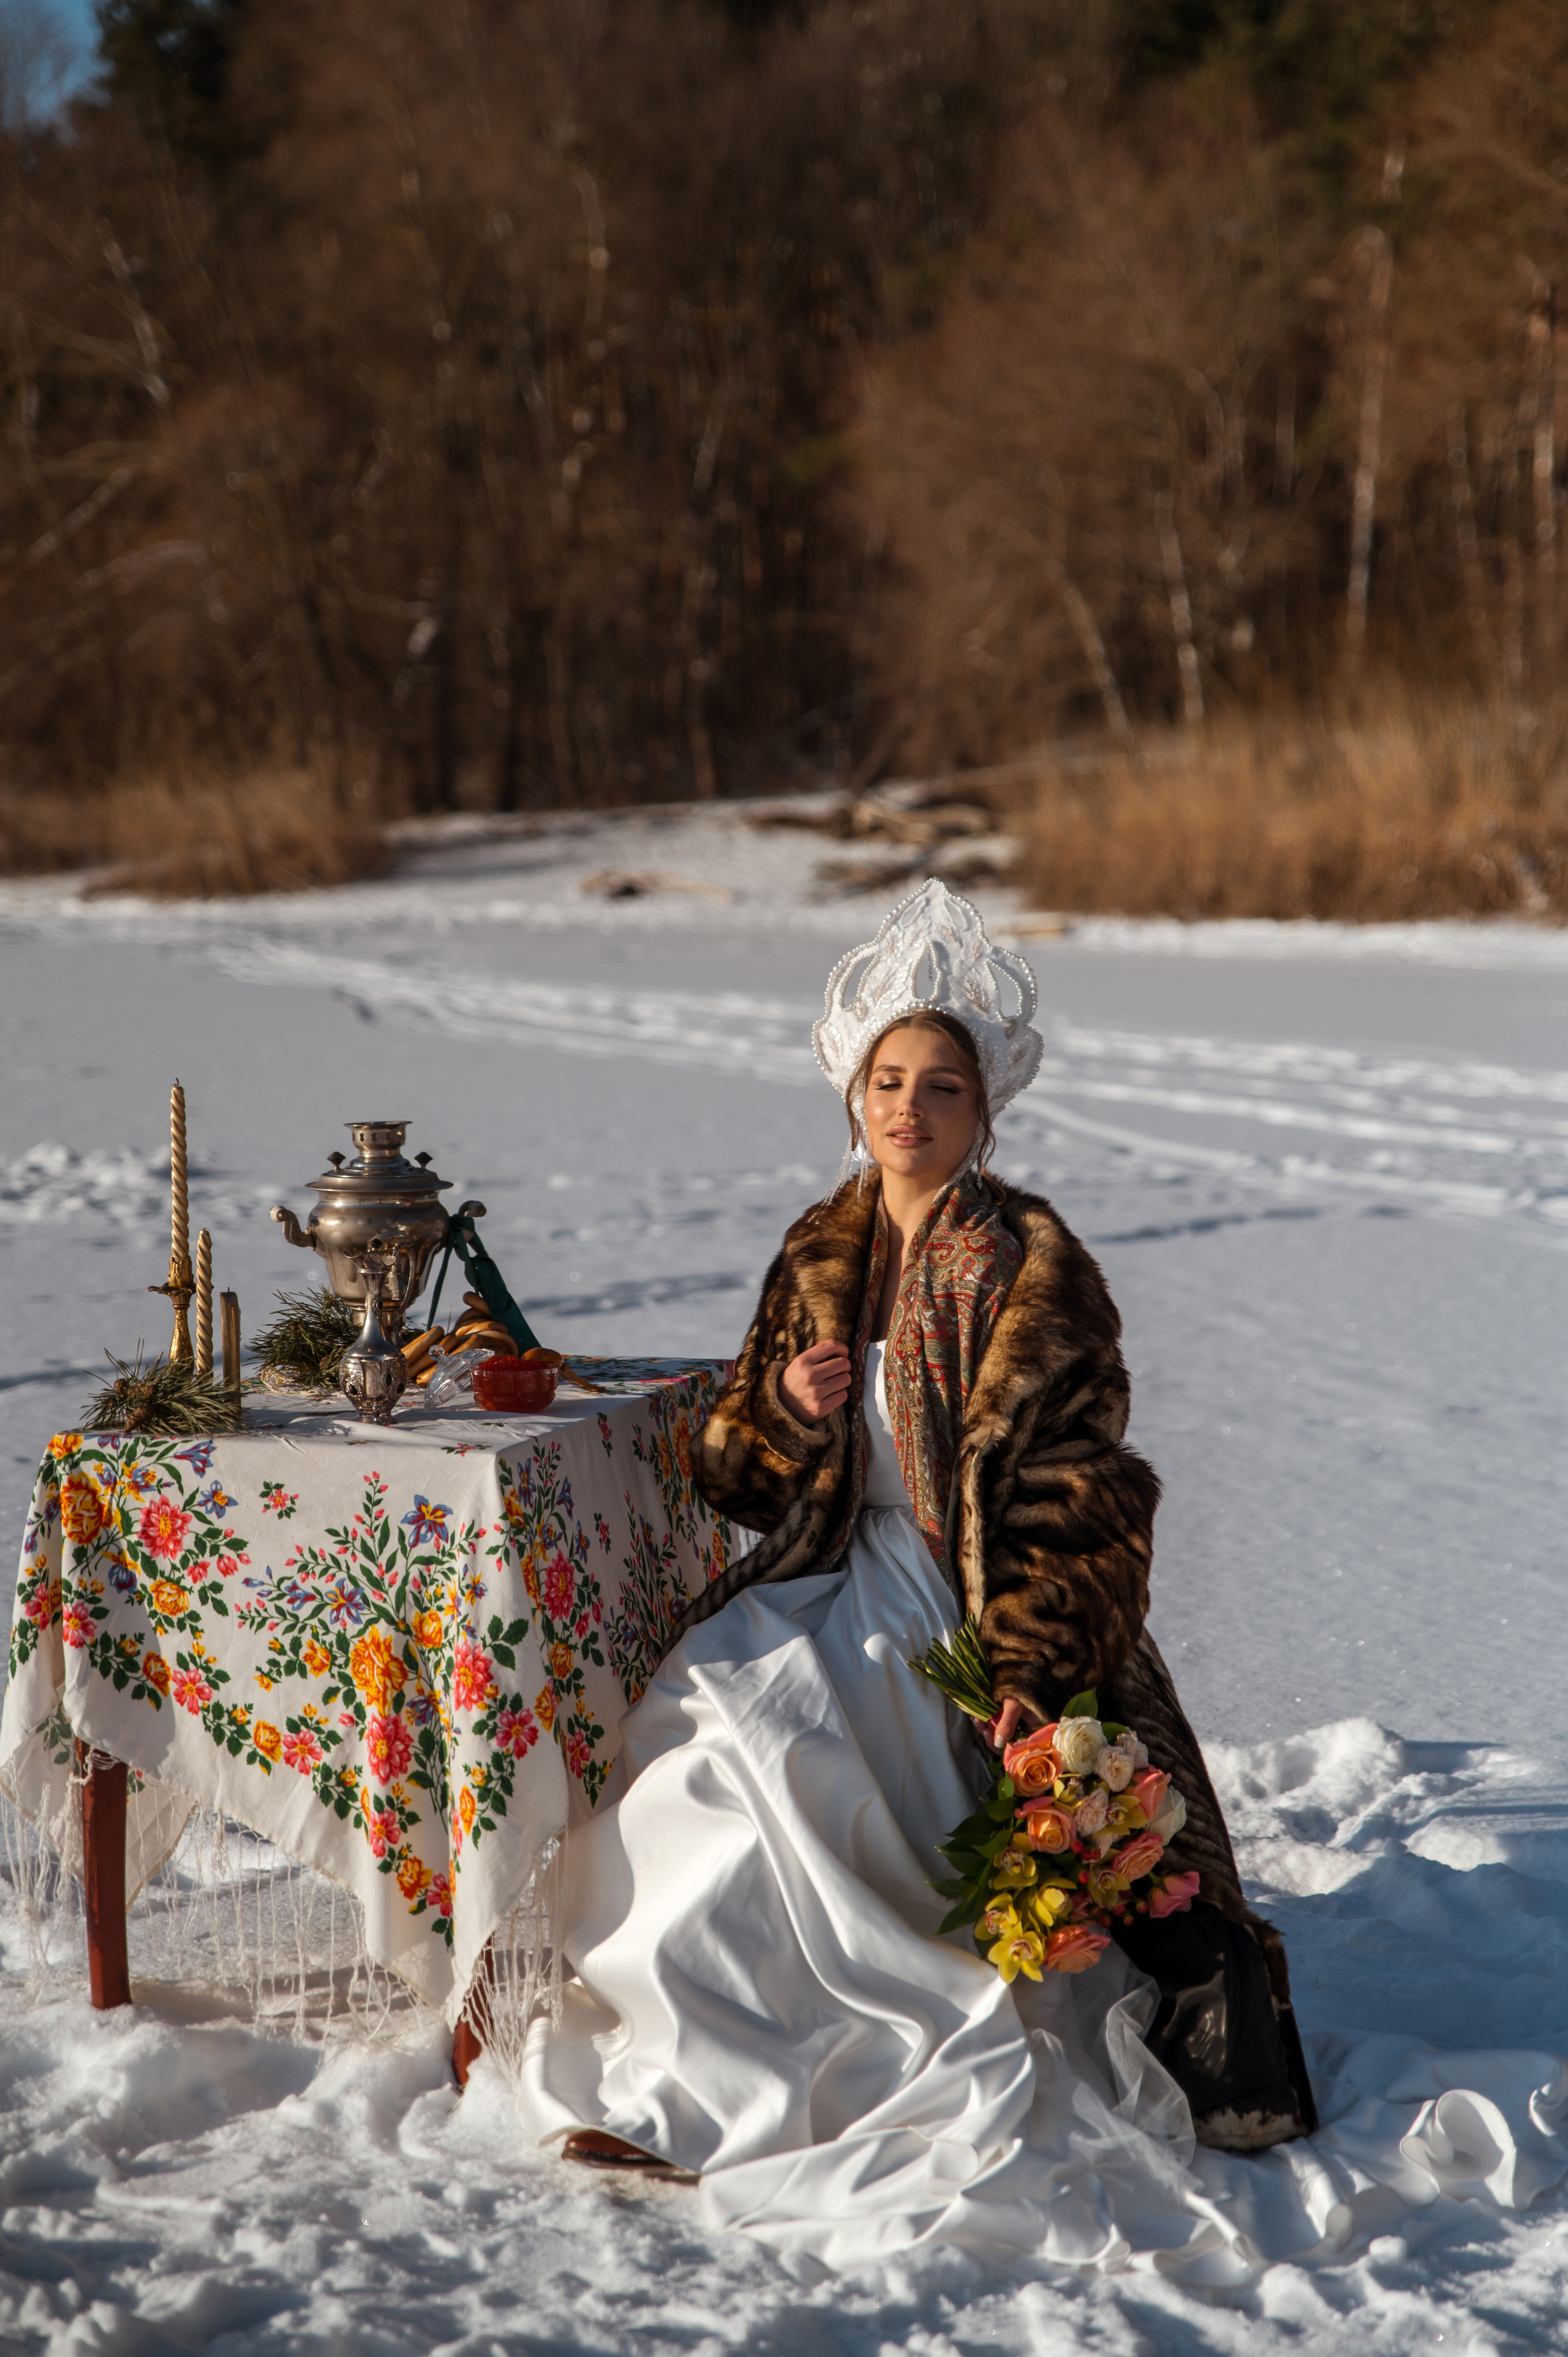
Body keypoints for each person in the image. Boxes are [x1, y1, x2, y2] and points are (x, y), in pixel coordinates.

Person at [518, 879, 1316, 2269]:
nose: (908, 1109)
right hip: (828, 1564)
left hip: (961, 1599)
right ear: (850, 1096)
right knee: (697, 1723)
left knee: (788, 1736)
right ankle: (688, 2080)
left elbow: (1086, 1495)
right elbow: (728, 1478)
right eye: (886, 1081)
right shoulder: (821, 1248)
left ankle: (805, 2070)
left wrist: (1025, 1673)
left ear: (980, 1113)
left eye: (939, 1086)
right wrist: (785, 1406)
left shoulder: (1027, 1262)